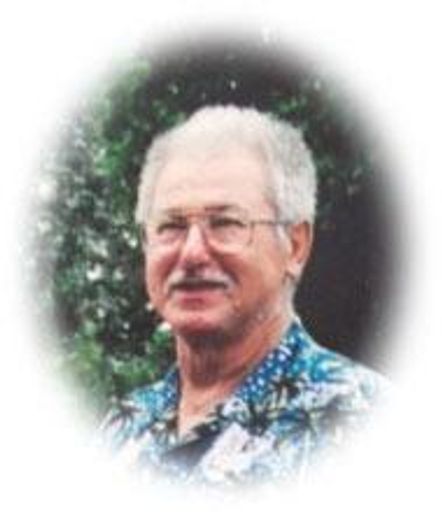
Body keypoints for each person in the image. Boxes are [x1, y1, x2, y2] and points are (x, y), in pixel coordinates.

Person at [102, 105, 388, 487]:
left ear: (295, 247)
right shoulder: (124, 427)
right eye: (170, 226)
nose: (192, 252)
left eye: (225, 223)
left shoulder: (363, 424)